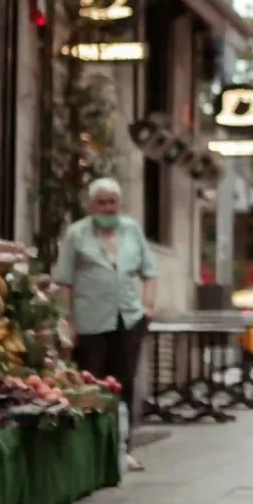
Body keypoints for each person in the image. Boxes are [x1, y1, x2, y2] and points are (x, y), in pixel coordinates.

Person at [52, 175, 157, 473]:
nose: (107, 208)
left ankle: (123, 448)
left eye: (112, 202)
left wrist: (148, 306)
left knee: (124, 384)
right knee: (90, 386)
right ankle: (90, 452)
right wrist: (67, 319)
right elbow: (65, 281)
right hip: (90, 322)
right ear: (91, 205)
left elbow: (150, 271)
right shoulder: (77, 234)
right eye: (101, 202)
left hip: (129, 318)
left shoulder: (131, 230)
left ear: (119, 204)